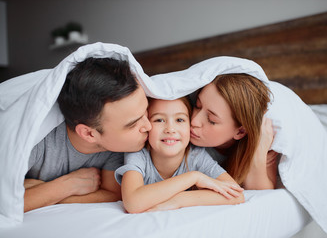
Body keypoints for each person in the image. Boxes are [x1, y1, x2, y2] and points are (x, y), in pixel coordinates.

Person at [23, 57, 152, 212]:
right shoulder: (36, 140)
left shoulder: (119, 145)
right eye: (133, 124)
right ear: (89, 134)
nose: (149, 126)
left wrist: (44, 193)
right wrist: (67, 185)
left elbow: (113, 194)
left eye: (145, 111)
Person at [115, 97, 244, 213]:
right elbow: (133, 203)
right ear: (147, 124)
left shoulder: (196, 155)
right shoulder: (138, 154)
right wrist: (194, 177)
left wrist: (180, 200)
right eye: (159, 120)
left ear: (190, 126)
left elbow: (236, 194)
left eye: (180, 120)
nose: (170, 129)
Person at [190, 73, 279, 190]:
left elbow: (262, 194)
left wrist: (258, 153)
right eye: (197, 106)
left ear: (240, 132)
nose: (194, 121)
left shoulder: (262, 144)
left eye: (211, 120)